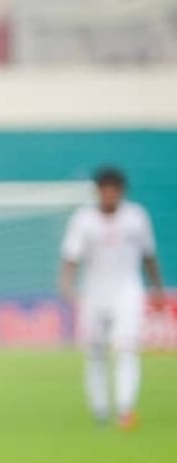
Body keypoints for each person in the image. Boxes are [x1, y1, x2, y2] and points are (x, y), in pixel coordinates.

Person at [59, 166, 164, 429]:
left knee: (126, 348)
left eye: (113, 189)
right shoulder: (83, 219)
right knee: (96, 352)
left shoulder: (136, 217)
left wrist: (157, 288)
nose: (108, 194)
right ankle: (101, 411)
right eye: (103, 189)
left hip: (127, 291)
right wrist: (67, 286)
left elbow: (148, 255)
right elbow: (71, 257)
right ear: (97, 191)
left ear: (121, 191)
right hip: (94, 292)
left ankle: (125, 409)